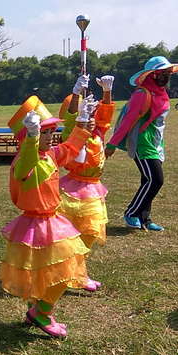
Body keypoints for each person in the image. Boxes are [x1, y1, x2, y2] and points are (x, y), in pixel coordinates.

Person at [1, 96, 94, 338]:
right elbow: (27, 162)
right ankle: (41, 311)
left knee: (64, 269)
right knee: (54, 272)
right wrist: (32, 139)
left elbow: (72, 146)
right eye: (45, 131)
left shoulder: (50, 156)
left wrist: (83, 120)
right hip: (36, 226)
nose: (50, 136)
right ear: (28, 136)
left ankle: (42, 309)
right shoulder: (22, 163)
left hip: (53, 222)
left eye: (52, 130)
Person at [106, 56, 178, 231]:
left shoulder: (162, 94)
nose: (166, 76)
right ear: (152, 74)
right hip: (142, 143)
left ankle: (145, 218)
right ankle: (131, 212)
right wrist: (112, 144)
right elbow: (127, 121)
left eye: (168, 73)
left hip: (156, 143)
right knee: (156, 180)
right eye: (162, 73)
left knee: (148, 180)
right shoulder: (141, 94)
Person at [57, 74, 116, 292]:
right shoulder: (72, 135)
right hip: (71, 189)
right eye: (87, 112)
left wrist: (107, 92)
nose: (91, 116)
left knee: (90, 234)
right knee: (68, 236)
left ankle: (78, 272)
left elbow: (106, 115)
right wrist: (75, 94)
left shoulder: (98, 131)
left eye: (92, 112)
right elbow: (72, 117)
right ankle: (68, 272)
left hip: (93, 189)